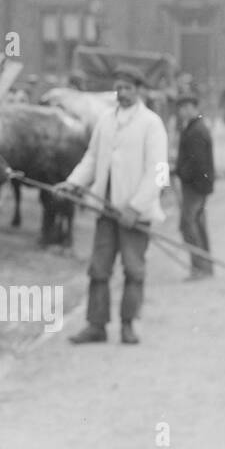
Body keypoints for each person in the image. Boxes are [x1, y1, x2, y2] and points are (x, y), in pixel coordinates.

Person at [56, 64, 169, 346]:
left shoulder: (151, 123)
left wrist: (135, 206)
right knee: (99, 268)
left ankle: (128, 325)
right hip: (105, 209)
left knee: (133, 270)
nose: (122, 93)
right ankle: (96, 325)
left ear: (139, 90)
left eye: (128, 88)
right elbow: (92, 159)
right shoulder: (106, 120)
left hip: (134, 214)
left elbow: (159, 171)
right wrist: (72, 183)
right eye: (118, 87)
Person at [172, 89, 214, 280]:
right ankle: (206, 265)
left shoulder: (196, 130)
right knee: (197, 223)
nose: (183, 111)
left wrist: (179, 171)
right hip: (199, 185)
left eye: (186, 107)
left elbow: (196, 162)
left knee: (187, 224)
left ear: (194, 108)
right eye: (181, 108)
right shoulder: (195, 126)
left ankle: (199, 267)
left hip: (195, 186)